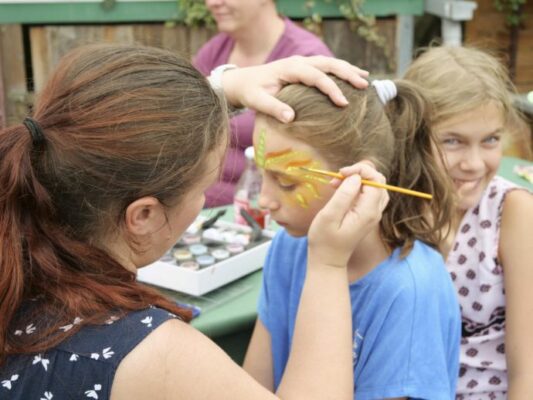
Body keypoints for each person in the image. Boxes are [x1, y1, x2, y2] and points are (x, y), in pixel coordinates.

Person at [0, 43, 385, 400]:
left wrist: (222, 88)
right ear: (144, 215)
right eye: (205, 187)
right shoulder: (153, 356)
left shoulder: (16, 257)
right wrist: (328, 264)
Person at [244, 76, 462, 399]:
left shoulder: (410, 291)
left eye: (287, 183)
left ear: (358, 181)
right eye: (262, 174)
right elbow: (251, 386)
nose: (264, 200)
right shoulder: (288, 247)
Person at [403, 45, 533, 400]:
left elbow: (527, 370)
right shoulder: (393, 209)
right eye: (453, 141)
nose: (474, 163)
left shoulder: (513, 213)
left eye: (490, 140)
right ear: (412, 134)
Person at [194, 0, 334, 206]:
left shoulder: (306, 59)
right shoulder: (213, 51)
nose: (213, 3)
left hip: (261, 211)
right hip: (195, 205)